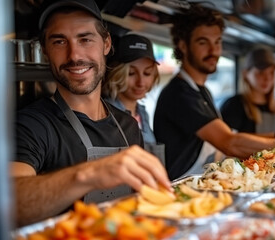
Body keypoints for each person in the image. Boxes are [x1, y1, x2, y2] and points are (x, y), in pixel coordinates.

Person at [10, 0, 170, 226]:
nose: (74, 55)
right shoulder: (31, 126)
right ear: (45, 51)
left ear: (106, 44)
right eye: (59, 41)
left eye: (85, 39)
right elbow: (7, 203)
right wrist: (88, 174)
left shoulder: (128, 126)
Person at [154, 5, 275, 180]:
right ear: (183, 46)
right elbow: (230, 143)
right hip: (184, 186)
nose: (213, 51)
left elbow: (234, 137)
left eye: (217, 42)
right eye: (203, 42)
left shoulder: (201, 91)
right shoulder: (180, 94)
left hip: (203, 181)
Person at [103, 34, 165, 165]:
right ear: (116, 73)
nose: (141, 82)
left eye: (147, 73)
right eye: (131, 73)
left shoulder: (142, 113)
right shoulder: (105, 114)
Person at [220, 47, 275, 137]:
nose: (267, 79)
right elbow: (231, 141)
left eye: (271, 72)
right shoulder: (235, 105)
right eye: (261, 73)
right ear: (246, 74)